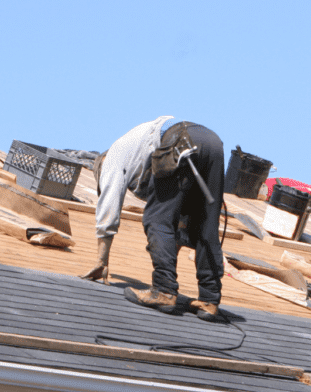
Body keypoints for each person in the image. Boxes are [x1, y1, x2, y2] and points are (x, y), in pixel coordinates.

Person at [82, 116, 226, 321]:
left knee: (157, 219)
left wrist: (101, 261)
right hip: (211, 142)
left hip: (181, 140)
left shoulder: (112, 158)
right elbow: (181, 222)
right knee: (205, 224)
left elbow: (109, 204)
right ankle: (209, 300)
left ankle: (164, 291)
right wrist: (168, 250)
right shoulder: (136, 146)